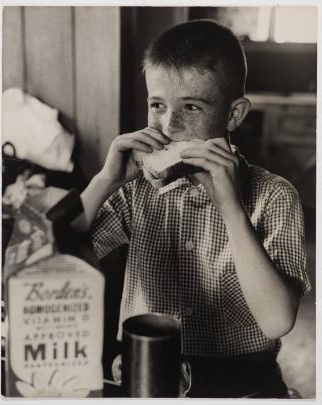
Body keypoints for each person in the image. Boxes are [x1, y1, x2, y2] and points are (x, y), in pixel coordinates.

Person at [75, 19, 311, 398]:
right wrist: (107, 180)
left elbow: (277, 321)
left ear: (234, 114)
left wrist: (230, 205)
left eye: (191, 106)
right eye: (158, 105)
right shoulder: (138, 191)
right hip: (145, 367)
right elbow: (51, 251)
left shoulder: (274, 195)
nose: (170, 125)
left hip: (242, 381)